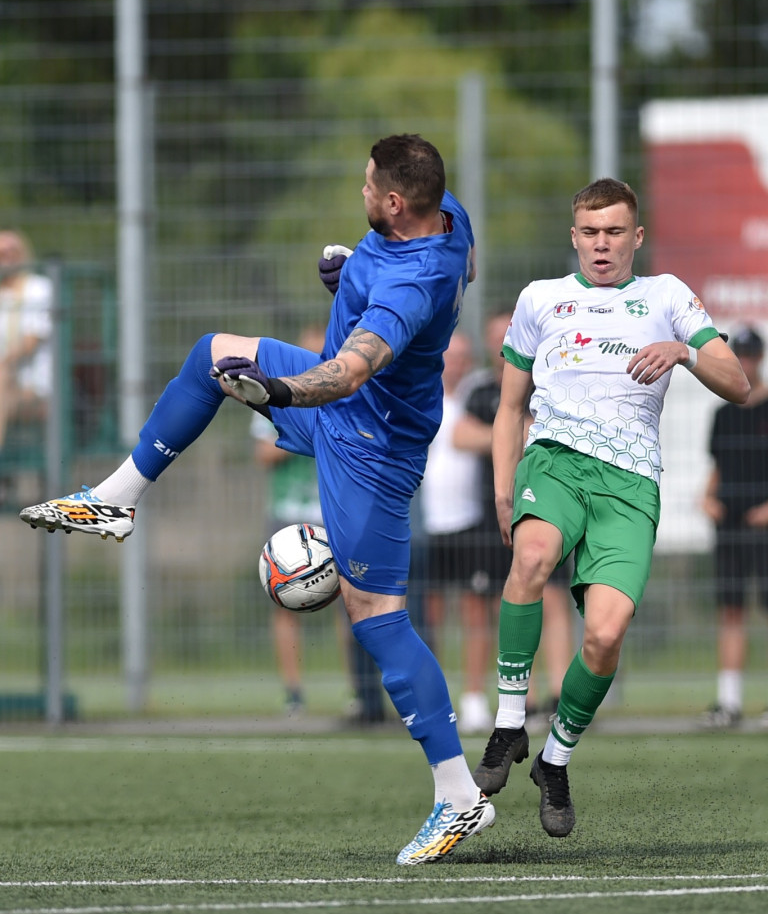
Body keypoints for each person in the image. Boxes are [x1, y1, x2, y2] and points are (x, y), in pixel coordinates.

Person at [19, 134, 494, 866]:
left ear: (396, 203)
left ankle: (459, 796)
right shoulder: (443, 214)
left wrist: (276, 392)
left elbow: (348, 373)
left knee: (378, 617)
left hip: (368, 443)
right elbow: (411, 269)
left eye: (369, 187)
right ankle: (116, 499)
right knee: (213, 352)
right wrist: (349, 275)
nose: (361, 191)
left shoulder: (410, 285)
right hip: (350, 415)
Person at [471, 177, 749, 839]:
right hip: (556, 463)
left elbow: (739, 384)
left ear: (636, 237)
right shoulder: (542, 300)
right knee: (532, 558)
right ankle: (510, 719)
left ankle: (555, 759)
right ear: (575, 236)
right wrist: (503, 483)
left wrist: (684, 351)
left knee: (604, 633)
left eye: (615, 232)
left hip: (629, 485)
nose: (602, 245)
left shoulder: (667, 296)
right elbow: (511, 407)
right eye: (590, 233)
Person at [252, 323, 385, 723]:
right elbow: (264, 453)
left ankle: (358, 693)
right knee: (285, 602)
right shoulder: (278, 393)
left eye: (321, 352)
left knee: (349, 602)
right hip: (288, 516)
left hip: (334, 512)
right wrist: (308, 433)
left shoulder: (344, 391)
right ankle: (294, 693)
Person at [452, 309, 576, 732]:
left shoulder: (549, 386)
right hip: (495, 513)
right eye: (495, 335)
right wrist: (509, 433)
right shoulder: (482, 390)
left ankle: (558, 694)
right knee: (504, 600)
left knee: (554, 597)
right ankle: (519, 697)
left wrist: (510, 434)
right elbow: (460, 436)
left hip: (550, 505)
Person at [419, 330, 492, 734]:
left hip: (469, 520)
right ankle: (433, 698)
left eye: (466, 355)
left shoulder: (476, 395)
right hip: (430, 523)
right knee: (430, 617)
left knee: (475, 611)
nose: (459, 363)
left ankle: (475, 699)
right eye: (453, 355)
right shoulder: (423, 395)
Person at [700, 325, 768, 729]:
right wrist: (707, 497)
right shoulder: (722, 413)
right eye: (737, 354)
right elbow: (718, 468)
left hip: (764, 524)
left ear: (759, 359)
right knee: (730, 609)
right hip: (729, 523)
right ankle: (729, 701)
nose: (744, 361)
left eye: (750, 355)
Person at [0, 230, 52, 453]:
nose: (7, 258)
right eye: (1, 253)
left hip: (34, 387)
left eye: (12, 252)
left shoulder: (39, 288)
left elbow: (31, 341)